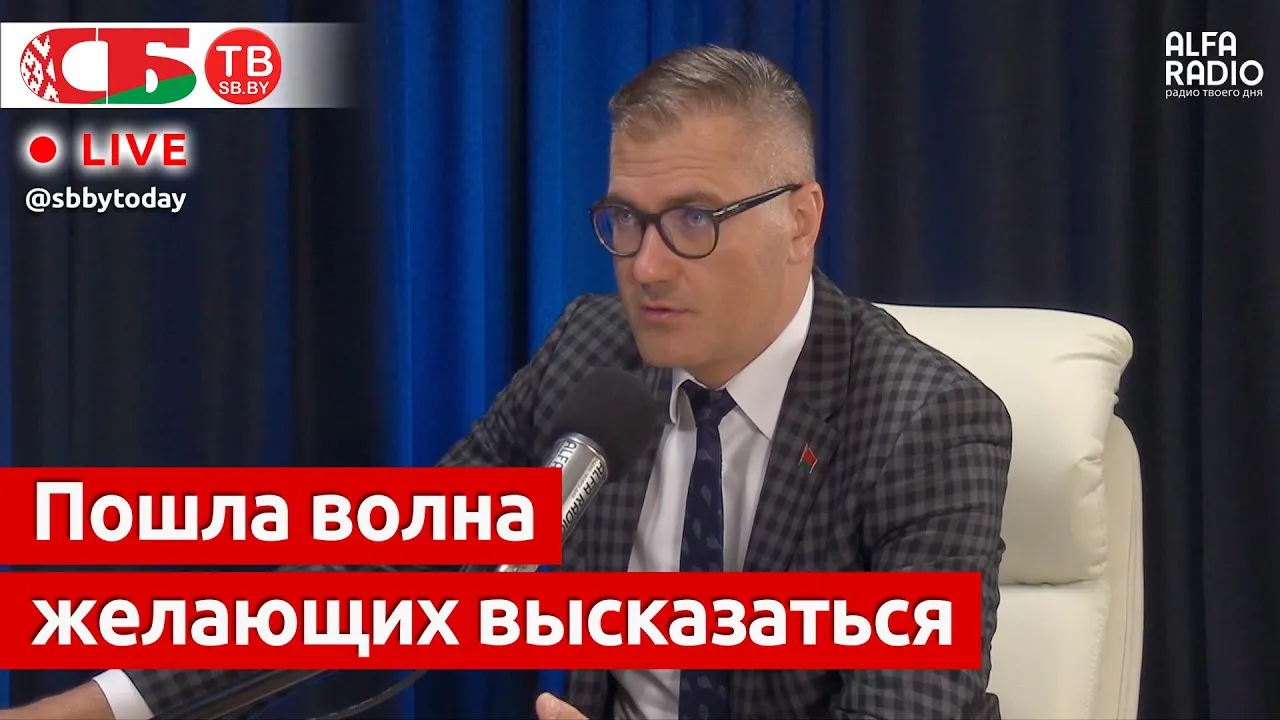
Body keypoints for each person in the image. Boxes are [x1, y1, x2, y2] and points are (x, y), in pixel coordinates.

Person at [1, 44, 1012, 720]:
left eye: (693, 219)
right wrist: (101, 706)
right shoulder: (594, 358)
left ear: (800, 218)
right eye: (624, 220)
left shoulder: (924, 421)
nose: (646, 266)